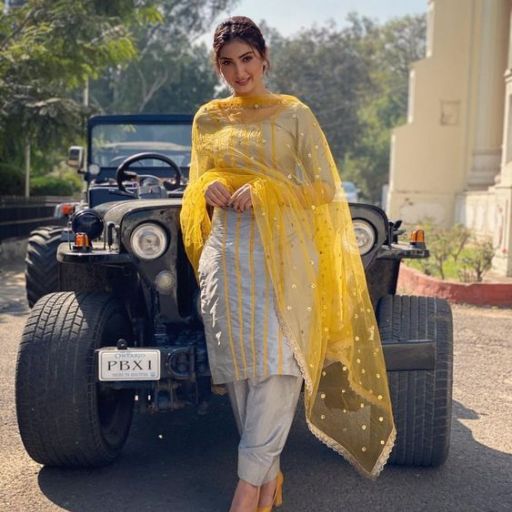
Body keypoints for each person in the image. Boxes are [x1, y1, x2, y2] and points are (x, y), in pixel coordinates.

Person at [180, 16, 396, 512]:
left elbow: (325, 187)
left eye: (247, 59)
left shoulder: (293, 113)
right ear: (218, 66)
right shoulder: (207, 117)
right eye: (227, 63)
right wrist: (205, 188)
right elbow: (195, 182)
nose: (239, 73)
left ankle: (246, 489)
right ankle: (268, 478)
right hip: (226, 256)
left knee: (280, 362)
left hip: (283, 249)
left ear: (264, 57)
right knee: (241, 369)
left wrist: (271, 190)